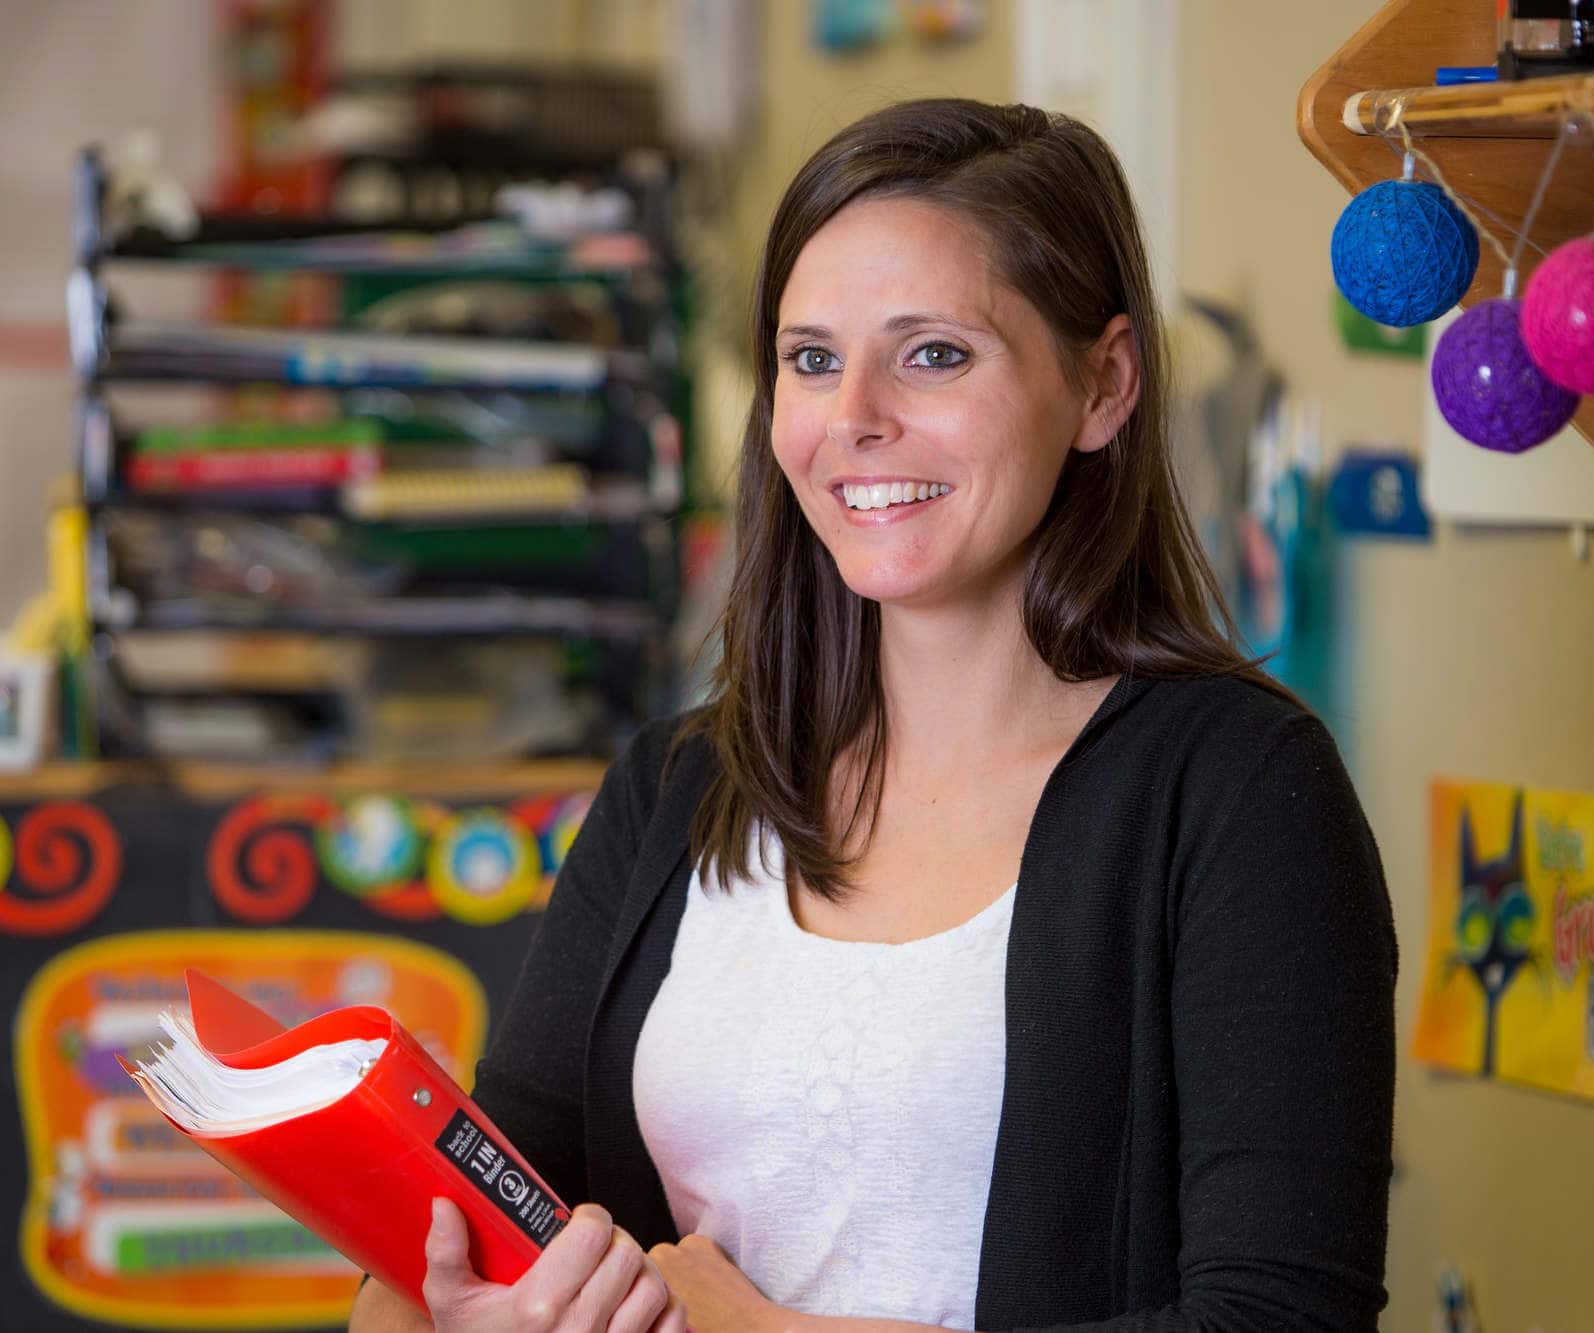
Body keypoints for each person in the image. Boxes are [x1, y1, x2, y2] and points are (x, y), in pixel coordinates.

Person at [350, 97, 1396, 1333]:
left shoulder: (1237, 792)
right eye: (809, 358)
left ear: (1103, 384)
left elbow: (1282, 1318)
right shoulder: (678, 786)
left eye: (933, 354)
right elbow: (457, 1243)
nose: (852, 418)